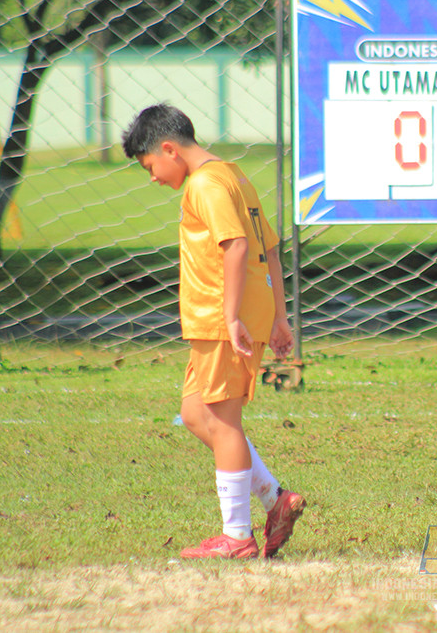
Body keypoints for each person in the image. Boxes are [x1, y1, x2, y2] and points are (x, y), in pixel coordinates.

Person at [121, 104, 306, 559]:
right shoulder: (232, 173)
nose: (152, 176)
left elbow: (239, 245)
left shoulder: (204, 183)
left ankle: (237, 536)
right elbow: (272, 249)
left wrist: (230, 317)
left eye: (150, 166)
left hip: (223, 319)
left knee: (222, 423)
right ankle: (274, 498)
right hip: (229, 317)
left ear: (169, 149)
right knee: (193, 413)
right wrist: (280, 317)